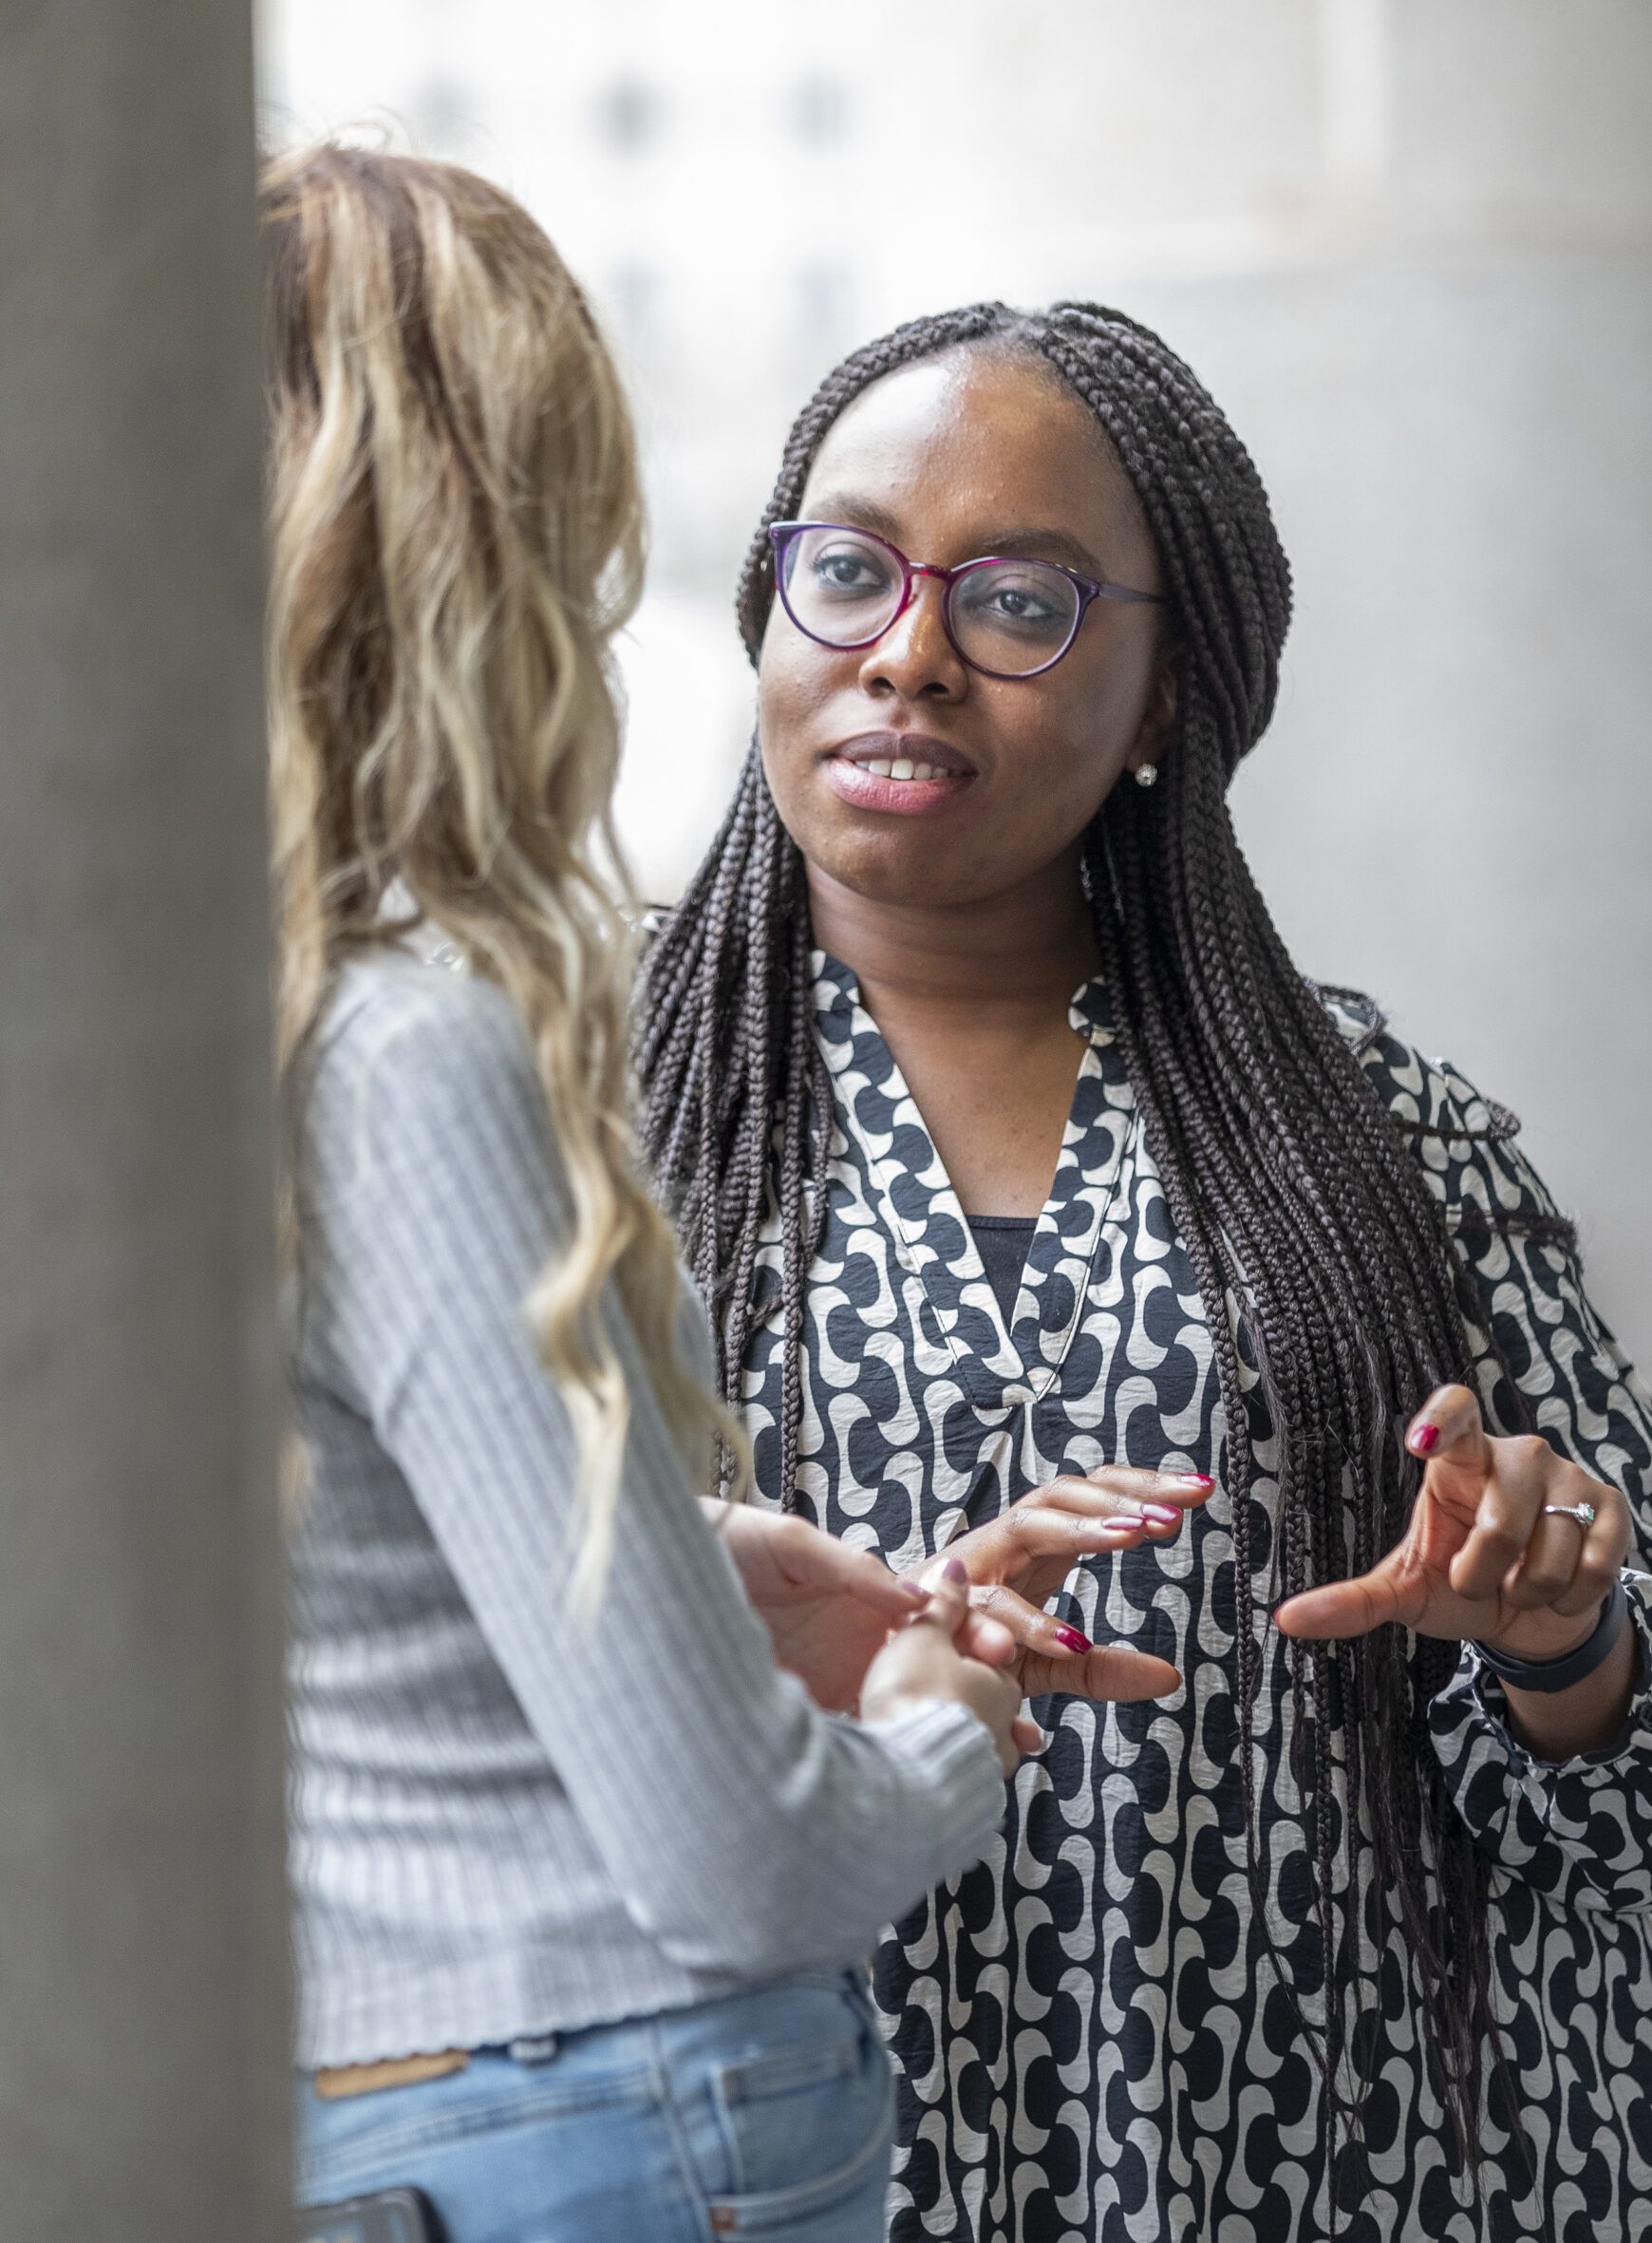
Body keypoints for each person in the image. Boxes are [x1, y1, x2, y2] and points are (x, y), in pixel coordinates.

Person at [636, 303, 1652, 2243]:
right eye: (843, 572)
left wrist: (1549, 1632)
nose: (902, 652)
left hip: (1395, 2166)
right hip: (815, 2172)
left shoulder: (1374, 1136)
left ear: (1170, 692)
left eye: (1020, 601)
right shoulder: (566, 1117)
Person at [265, 151, 1164, 2243]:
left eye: (1018, 600)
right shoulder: (411, 1048)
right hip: (598, 2121)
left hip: (373, 2104)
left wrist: (684, 1561)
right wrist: (951, 1717)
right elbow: (744, 1865)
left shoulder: (190, 1033)